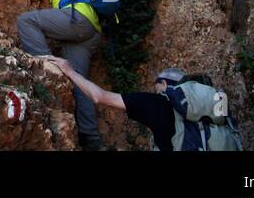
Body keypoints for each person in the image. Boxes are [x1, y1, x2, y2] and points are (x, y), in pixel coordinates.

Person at [0, 0, 105, 150]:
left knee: (27, 21)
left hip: (77, 20)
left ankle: (43, 69)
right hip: (90, 31)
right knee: (79, 83)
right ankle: (92, 140)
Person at [39, 58, 243, 151]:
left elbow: (99, 97)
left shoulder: (157, 105)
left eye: (156, 87)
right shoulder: (212, 107)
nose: (155, 91)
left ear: (164, 84)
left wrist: (70, 71)